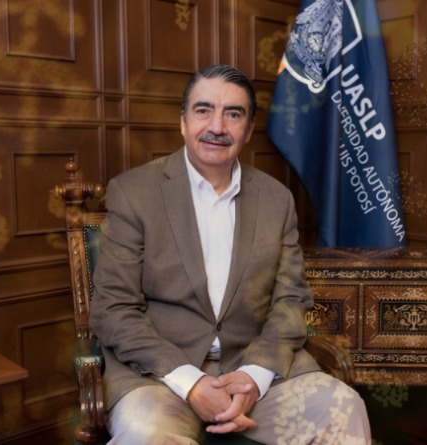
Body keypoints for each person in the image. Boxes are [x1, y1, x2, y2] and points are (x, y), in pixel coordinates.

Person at [89, 64, 371, 445]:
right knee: (143, 433)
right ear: (183, 122)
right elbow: (113, 309)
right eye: (203, 110)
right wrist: (192, 383)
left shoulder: (277, 199)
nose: (217, 126)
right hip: (159, 376)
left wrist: (255, 375)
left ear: (249, 129)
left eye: (233, 114)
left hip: (255, 373)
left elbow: (290, 300)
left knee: (343, 408)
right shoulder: (134, 192)